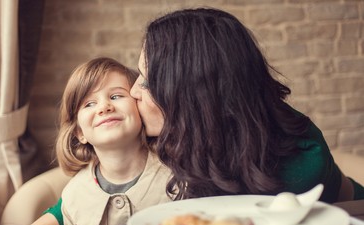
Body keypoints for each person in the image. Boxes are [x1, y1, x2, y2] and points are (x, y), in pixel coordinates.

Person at [129, 7, 364, 202]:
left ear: (193, 96)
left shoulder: (297, 163)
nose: (133, 91)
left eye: (147, 83)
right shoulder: (192, 132)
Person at [14, 57, 173, 225]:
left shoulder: (179, 173)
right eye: (89, 104)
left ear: (140, 109)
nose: (104, 107)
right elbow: (55, 219)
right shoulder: (75, 193)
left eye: (116, 96)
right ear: (79, 133)